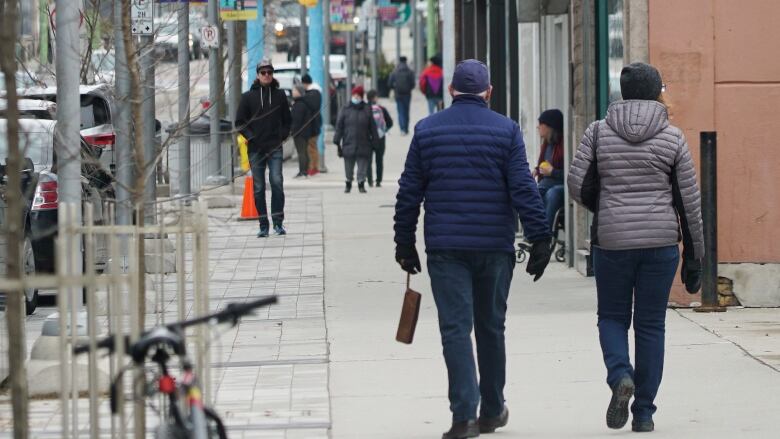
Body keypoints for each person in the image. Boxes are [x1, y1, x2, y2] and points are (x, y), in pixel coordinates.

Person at [393, 59, 552, 439]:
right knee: (491, 328)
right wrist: (541, 237)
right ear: (489, 92)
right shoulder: (506, 131)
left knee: (455, 330)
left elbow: (409, 192)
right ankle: (493, 409)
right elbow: (523, 188)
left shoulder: (427, 130)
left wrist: (404, 242)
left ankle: (463, 416)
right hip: (495, 247)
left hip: (446, 248)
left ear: (450, 91)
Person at [568, 62, 704, 433]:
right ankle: (643, 413)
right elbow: (688, 203)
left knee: (612, 317)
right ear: (657, 91)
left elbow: (578, 184)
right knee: (650, 326)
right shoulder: (673, 138)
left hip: (612, 242)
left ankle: (619, 376)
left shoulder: (598, 132)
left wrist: (607, 206)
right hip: (660, 244)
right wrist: (695, 257)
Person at [235, 58, 292, 237]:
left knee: (277, 182)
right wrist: (252, 137)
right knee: (259, 187)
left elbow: (287, 120)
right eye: (263, 72)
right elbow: (240, 122)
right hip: (256, 149)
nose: (267, 75)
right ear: (258, 75)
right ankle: (263, 224)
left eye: (269, 72)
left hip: (274, 146)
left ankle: (278, 222)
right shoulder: (248, 97)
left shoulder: (280, 95)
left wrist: (282, 136)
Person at [334, 85, 379, 194]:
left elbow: (372, 127)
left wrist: (375, 142)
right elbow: (339, 126)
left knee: (362, 167)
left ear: (361, 96)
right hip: (349, 142)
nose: (356, 97)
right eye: (354, 95)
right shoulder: (345, 109)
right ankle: (348, 183)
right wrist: (337, 140)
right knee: (348, 167)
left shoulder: (367, 109)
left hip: (364, 143)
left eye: (358, 95)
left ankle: (361, 184)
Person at [534, 109, 565, 231]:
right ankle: (531, 234)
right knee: (532, 193)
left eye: (541, 124)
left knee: (552, 193)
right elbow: (544, 164)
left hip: (562, 186)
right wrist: (537, 170)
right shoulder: (546, 145)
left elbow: (571, 174)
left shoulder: (563, 145)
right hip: (547, 184)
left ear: (549, 126)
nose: (538, 127)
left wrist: (552, 172)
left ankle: (544, 236)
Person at [366, 89, 393, 188]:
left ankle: (369, 181)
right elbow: (390, 122)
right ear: (375, 98)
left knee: (368, 160)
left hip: (367, 138)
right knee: (379, 160)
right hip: (380, 137)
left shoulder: (364, 108)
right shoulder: (381, 108)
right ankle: (378, 181)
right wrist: (383, 130)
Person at [290, 84, 315, 178]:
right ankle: (305, 170)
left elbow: (296, 120)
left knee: (301, 152)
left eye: (294, 90)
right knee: (304, 151)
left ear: (299, 92)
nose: (293, 92)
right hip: (305, 132)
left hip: (299, 132)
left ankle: (302, 171)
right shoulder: (304, 103)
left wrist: (293, 131)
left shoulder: (299, 105)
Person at [301, 73, 323, 176]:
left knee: (311, 147)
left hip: (312, 125)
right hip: (314, 124)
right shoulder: (315, 93)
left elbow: (313, 106)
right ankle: (313, 167)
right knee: (312, 147)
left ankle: (313, 167)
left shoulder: (312, 94)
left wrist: (302, 98)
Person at [387, 56, 415, 135]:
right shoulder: (410, 72)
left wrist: (394, 88)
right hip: (407, 94)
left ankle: (402, 129)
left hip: (398, 94)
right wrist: (409, 88)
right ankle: (406, 129)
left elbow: (389, 83)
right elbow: (413, 84)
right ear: (406, 61)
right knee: (406, 111)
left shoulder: (395, 71)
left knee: (400, 111)